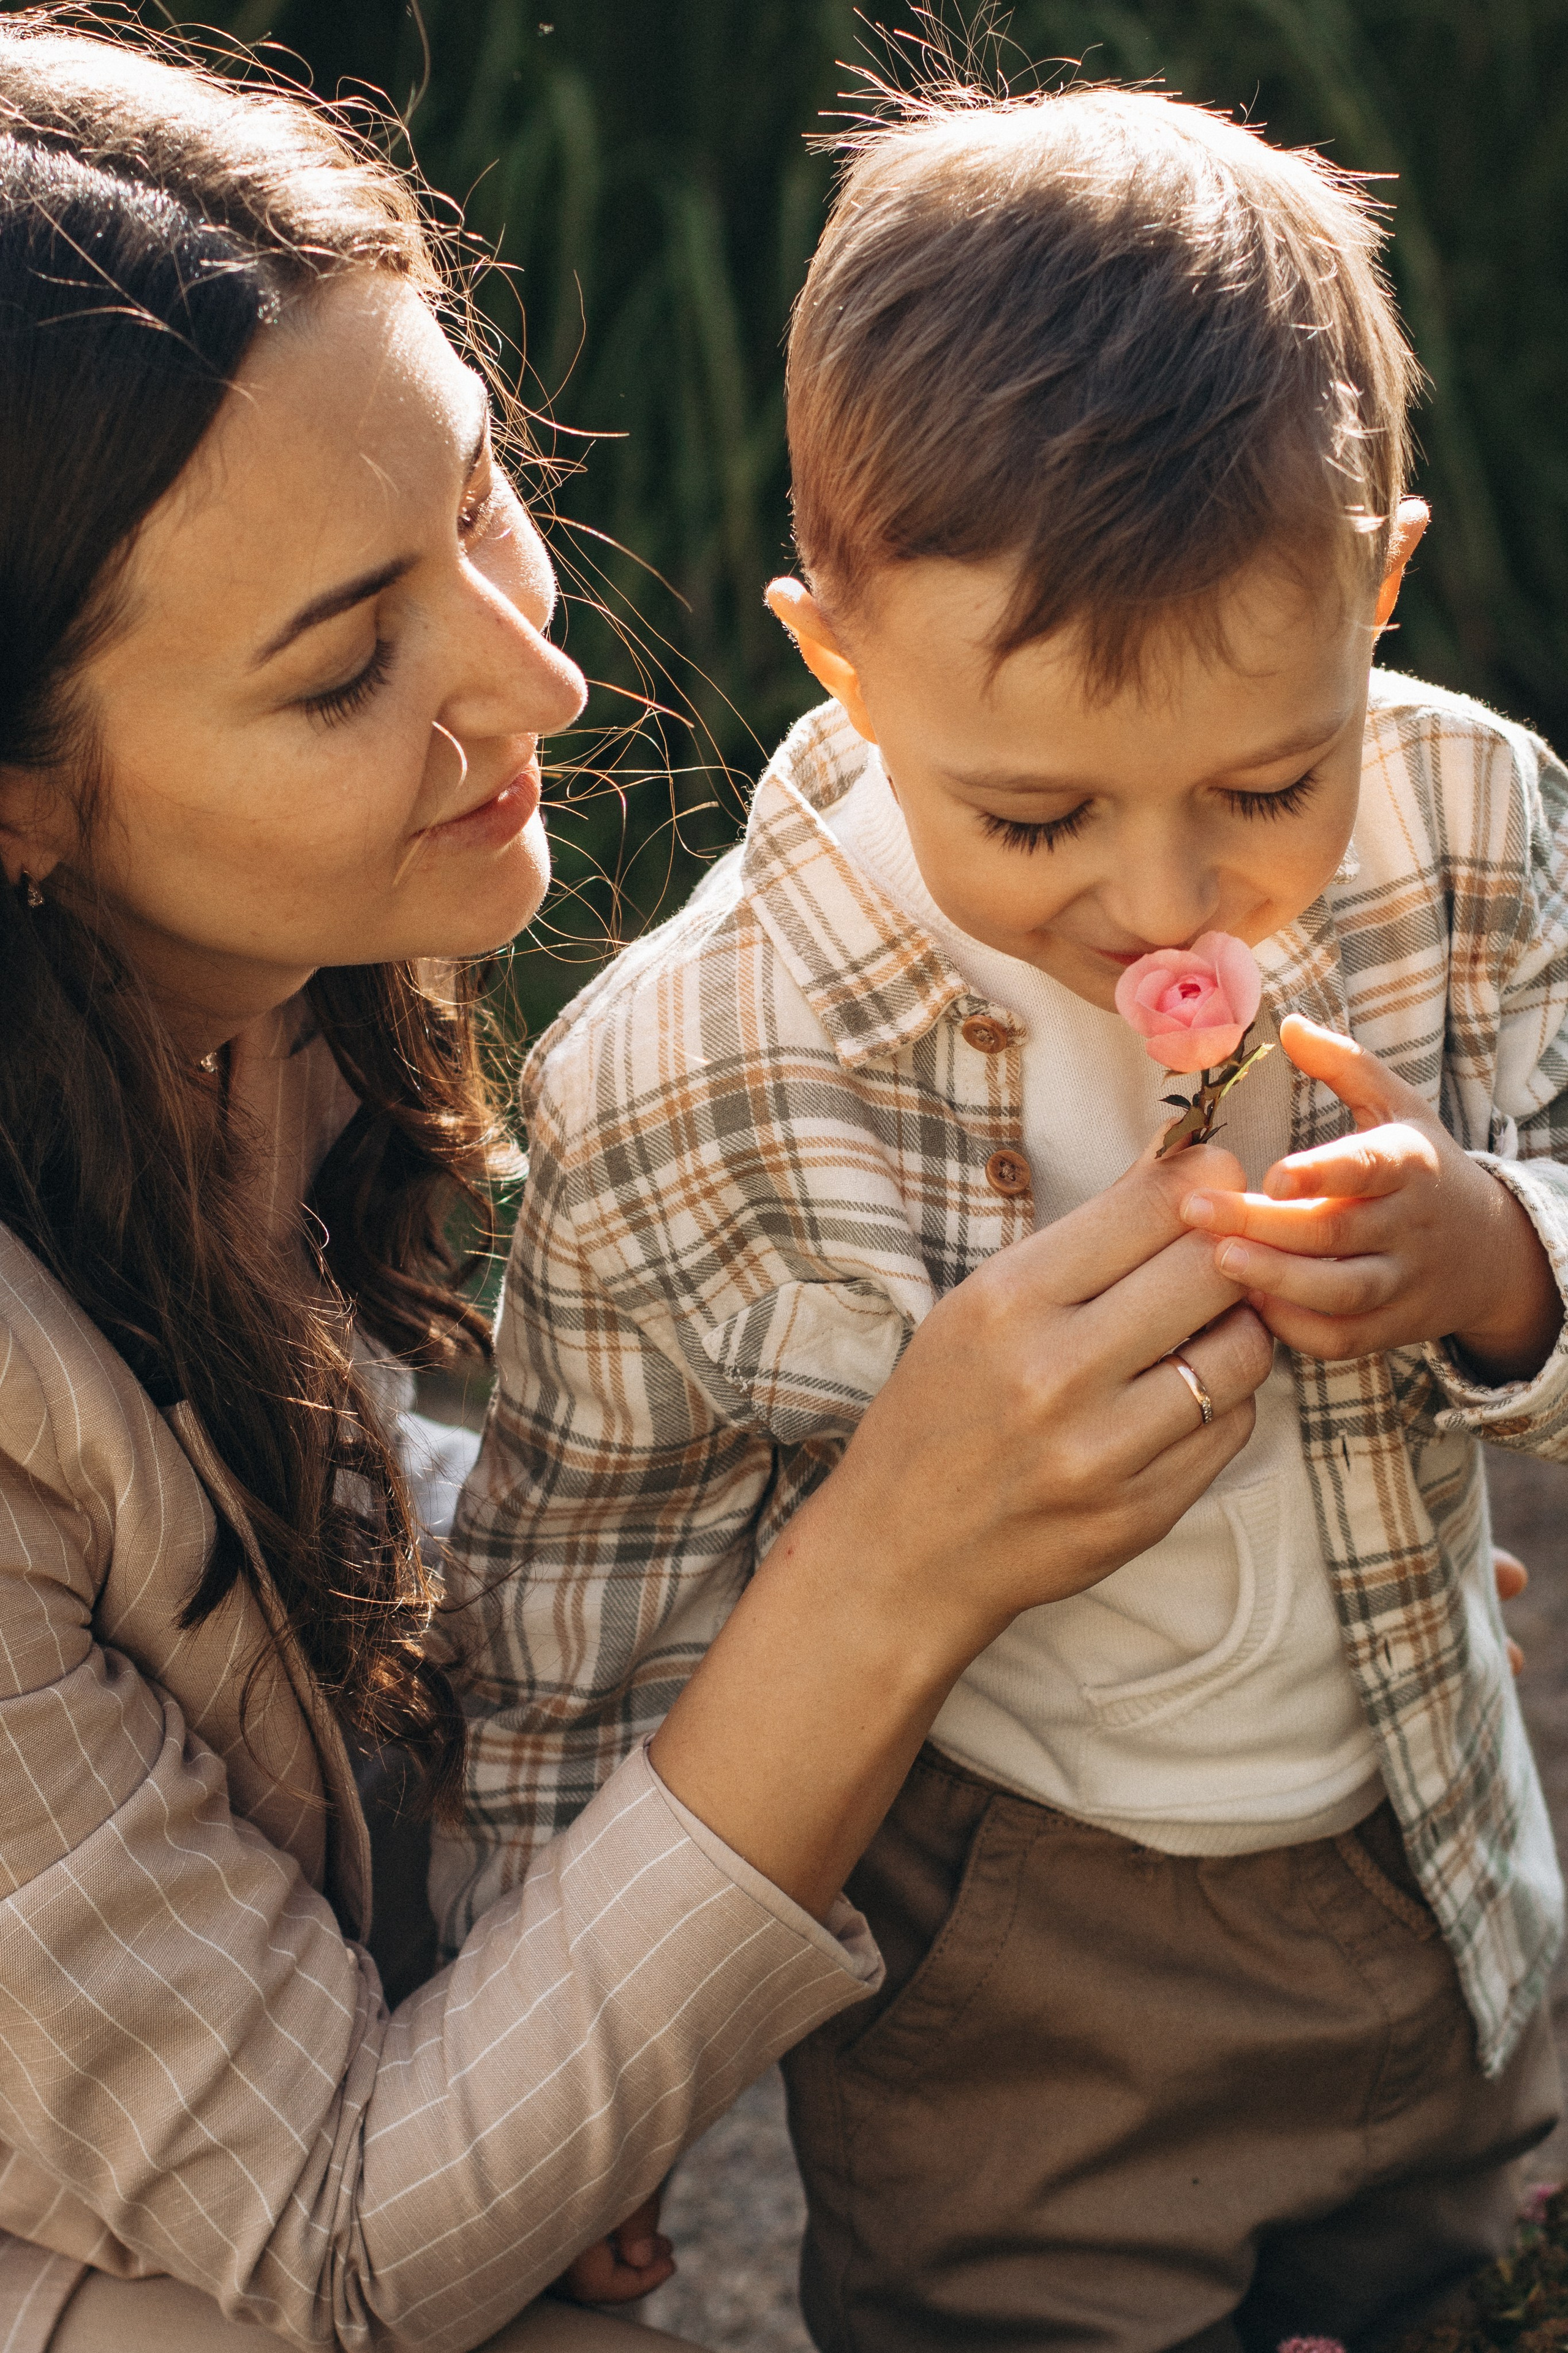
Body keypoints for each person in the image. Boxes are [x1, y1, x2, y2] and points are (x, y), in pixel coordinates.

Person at [0, 24, 1294, 2353]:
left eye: (475, 498)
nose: (542, 681)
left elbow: (348, 1591)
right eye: (346, 666)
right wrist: (889, 1563)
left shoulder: (243, 1004)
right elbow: (349, 2236)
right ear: (21, 795)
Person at [439, 83, 1568, 2352]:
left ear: (1378, 588)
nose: (1165, 893)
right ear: (841, 658)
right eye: (1037, 813)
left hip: (1428, 1849)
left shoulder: (1467, 820)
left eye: (1269, 779)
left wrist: (1499, 1256)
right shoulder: (692, 1073)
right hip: (1005, 1973)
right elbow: (581, 1603)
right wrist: (575, 2103)